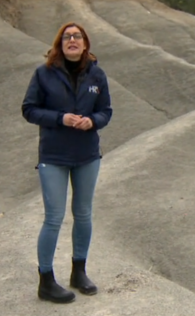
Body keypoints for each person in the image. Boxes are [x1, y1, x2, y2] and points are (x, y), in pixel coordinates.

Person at [21, 22, 113, 304]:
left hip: (87, 155)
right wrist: (60, 118)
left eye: (77, 36)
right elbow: (29, 109)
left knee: (83, 214)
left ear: (85, 43)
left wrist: (92, 121)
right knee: (54, 217)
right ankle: (46, 281)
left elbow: (106, 111)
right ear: (60, 44)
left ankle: (79, 271)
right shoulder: (44, 73)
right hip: (54, 156)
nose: (72, 40)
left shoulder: (97, 75)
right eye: (67, 37)